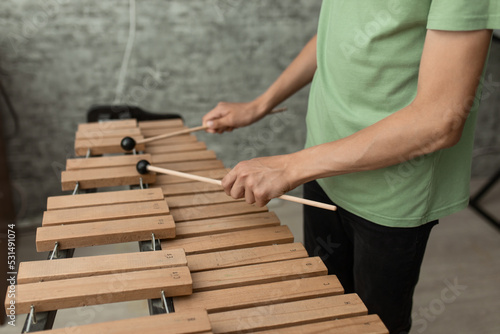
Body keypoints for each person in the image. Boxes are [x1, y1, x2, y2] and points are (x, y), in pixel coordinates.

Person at [202, 1, 500, 333]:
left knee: (374, 324)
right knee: (324, 308)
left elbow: (439, 120)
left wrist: (289, 167)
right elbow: (341, 32)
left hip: (391, 192)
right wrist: (260, 105)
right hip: (321, 166)